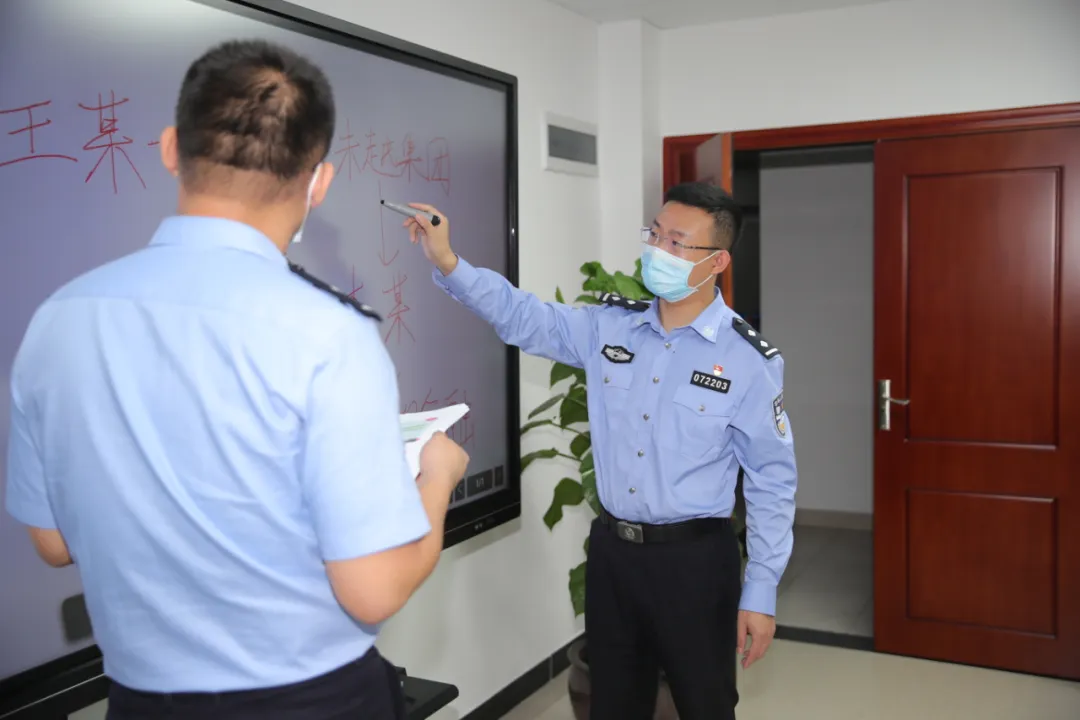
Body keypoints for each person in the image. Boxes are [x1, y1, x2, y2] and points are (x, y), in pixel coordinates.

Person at [4, 39, 468, 720]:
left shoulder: (59, 318)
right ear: (319, 182)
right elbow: (374, 590)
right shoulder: (330, 333)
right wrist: (439, 479)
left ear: (170, 148)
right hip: (311, 703)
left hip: (139, 703)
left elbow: (52, 541)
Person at [402, 183, 797, 720]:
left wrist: (761, 589)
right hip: (614, 558)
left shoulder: (748, 360)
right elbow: (524, 316)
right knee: (612, 705)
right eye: (655, 234)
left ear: (717, 262)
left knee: (705, 705)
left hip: (696, 564)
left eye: (677, 242)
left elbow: (772, 479)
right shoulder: (609, 326)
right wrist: (448, 261)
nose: (658, 250)